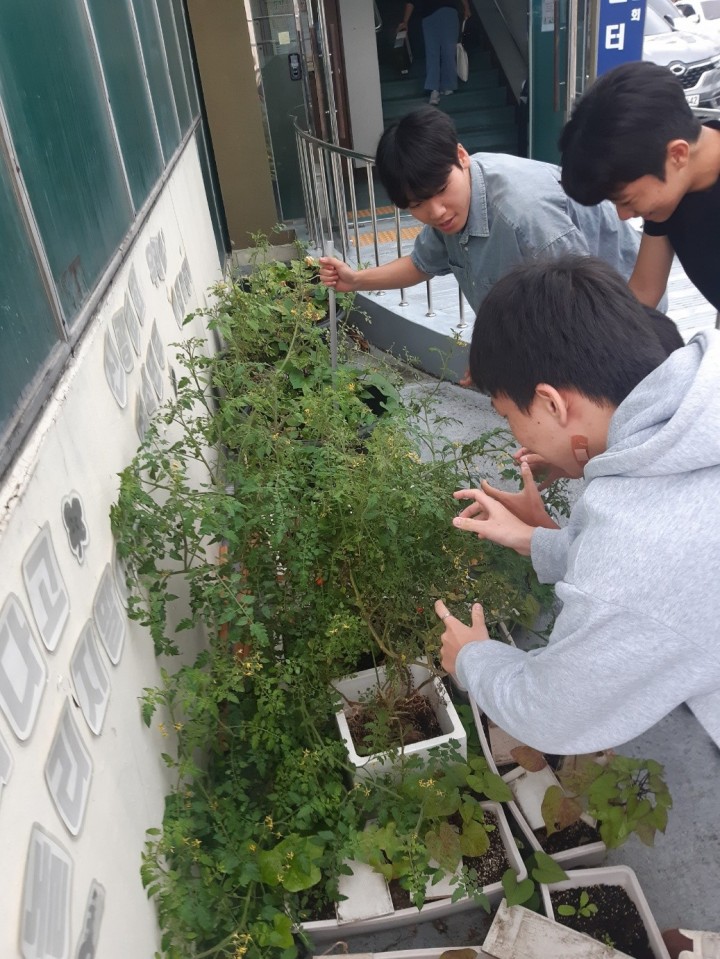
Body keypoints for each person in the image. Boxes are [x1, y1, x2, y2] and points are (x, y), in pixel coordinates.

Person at [434, 254, 720, 756]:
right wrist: (538, 540)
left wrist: (472, 658)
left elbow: (551, 713)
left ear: (552, 403)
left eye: (508, 416)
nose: (516, 437)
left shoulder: (638, 539)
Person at [319, 107, 642, 317]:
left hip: (622, 310)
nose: (436, 212)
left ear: (461, 156)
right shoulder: (452, 208)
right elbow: (421, 264)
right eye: (416, 205)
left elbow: (585, 307)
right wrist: (356, 280)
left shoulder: (525, 217)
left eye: (441, 190)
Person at [559, 60, 720, 312]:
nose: (623, 215)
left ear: (677, 154)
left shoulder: (664, 185)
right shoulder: (669, 191)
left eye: (627, 201)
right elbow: (645, 290)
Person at [398, 1, 471, 104]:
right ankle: (441, 87)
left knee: (440, 52)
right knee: (442, 51)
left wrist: (466, 8)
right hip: (437, 15)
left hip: (438, 14)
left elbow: (411, 2)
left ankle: (438, 88)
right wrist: (466, 8)